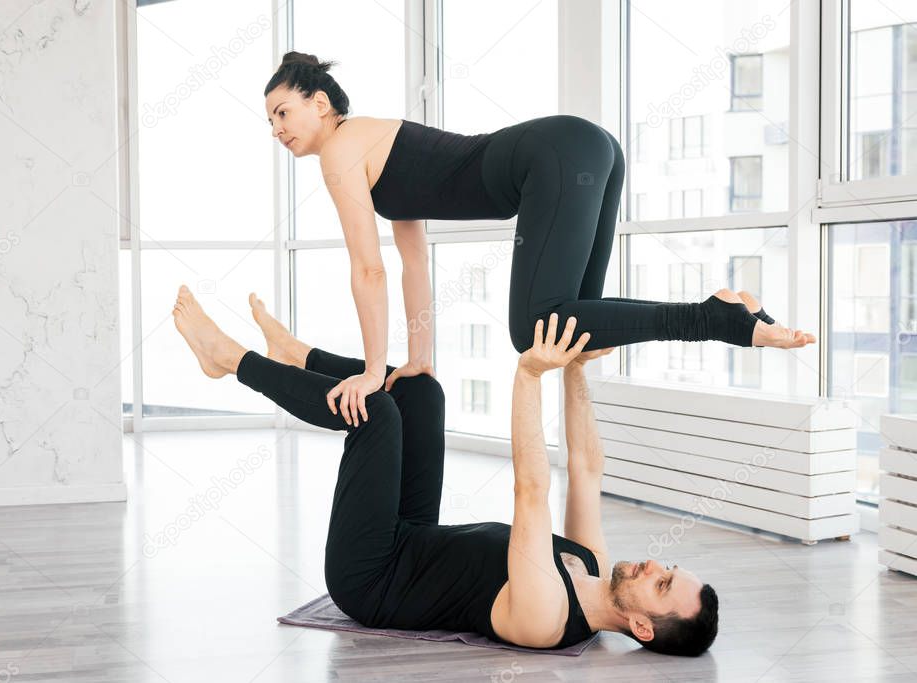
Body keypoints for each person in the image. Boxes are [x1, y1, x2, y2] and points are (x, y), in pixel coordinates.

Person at [263, 51, 816, 427]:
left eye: (283, 111)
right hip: (588, 146)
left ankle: (713, 318)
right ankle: (719, 309)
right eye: (270, 121)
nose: (278, 129)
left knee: (532, 329)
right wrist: (417, 360)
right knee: (579, 329)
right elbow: (412, 263)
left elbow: (368, 270)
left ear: (320, 103)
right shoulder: (369, 143)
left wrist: (370, 372)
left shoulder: (340, 150)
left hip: (553, 155)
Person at [171, 284, 719, 656]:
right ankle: (295, 354)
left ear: (642, 628)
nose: (652, 564)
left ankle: (230, 360)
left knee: (375, 415)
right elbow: (585, 467)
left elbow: (532, 488)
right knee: (418, 391)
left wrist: (529, 374)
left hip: (371, 576)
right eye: (666, 565)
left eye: (663, 582)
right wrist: (574, 366)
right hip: (412, 533)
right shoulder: (590, 563)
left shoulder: (545, 618)